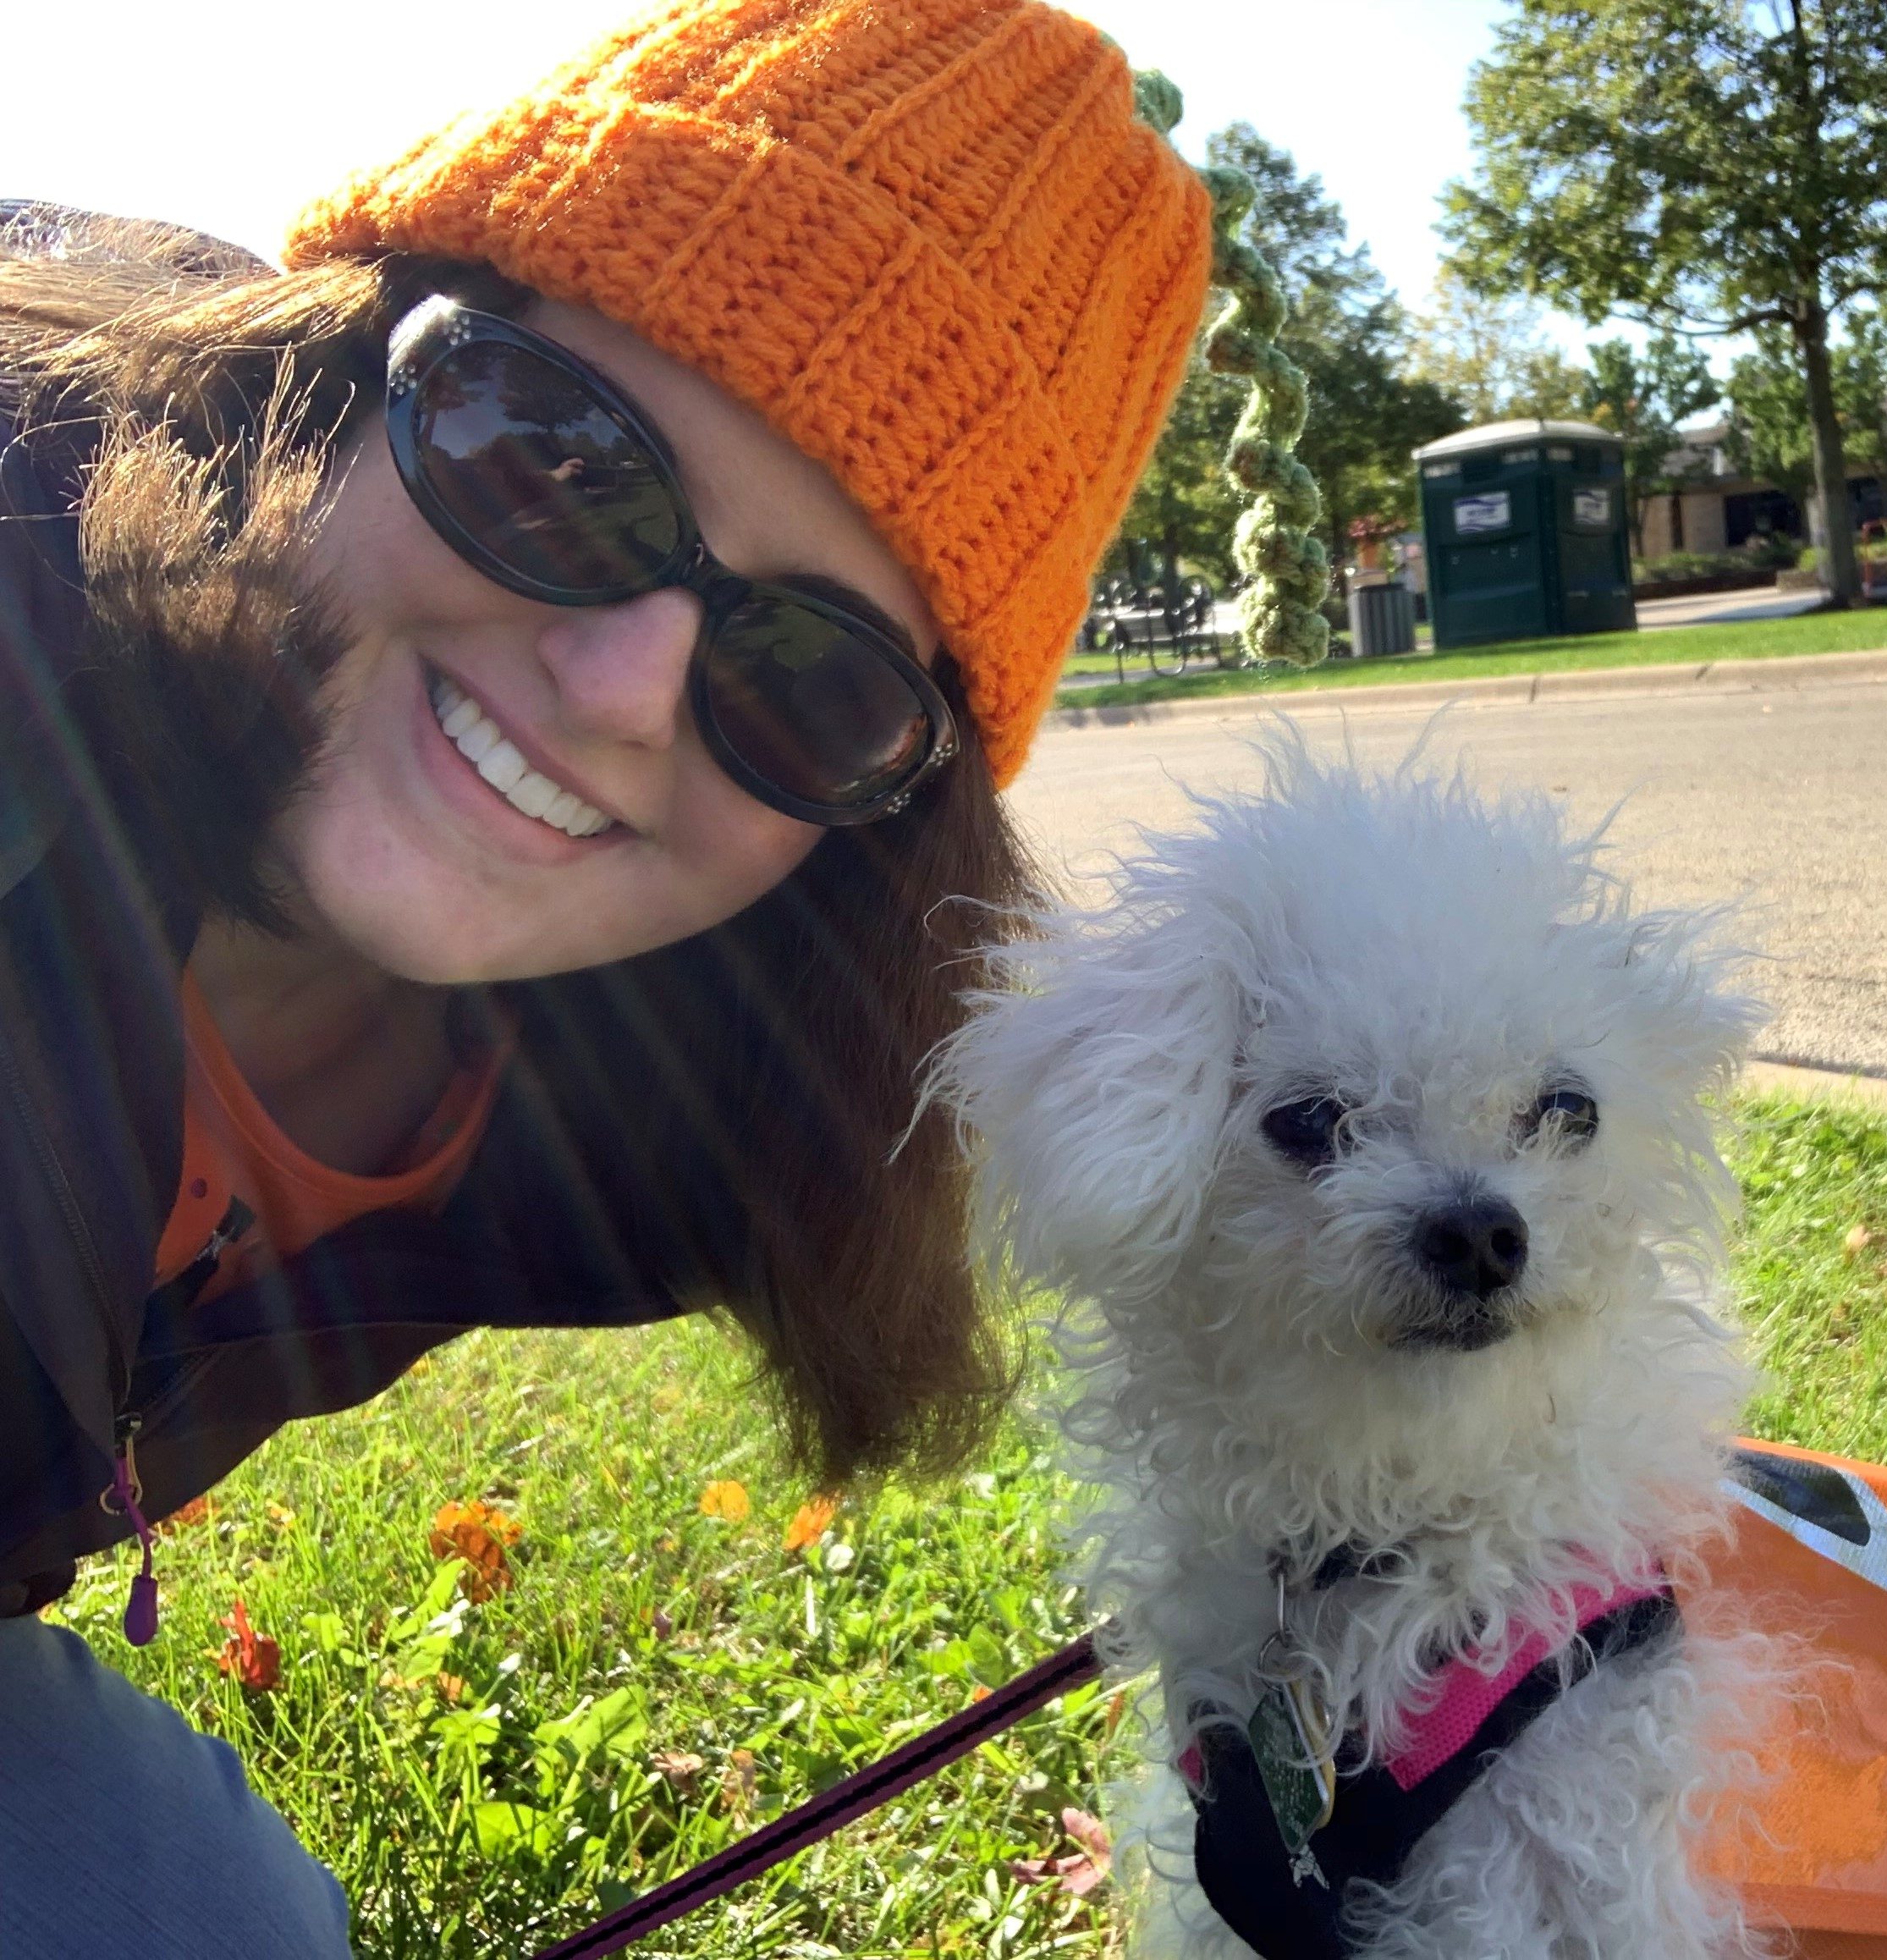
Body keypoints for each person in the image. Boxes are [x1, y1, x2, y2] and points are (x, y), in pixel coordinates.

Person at [0, 1, 1216, 1949]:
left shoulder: (637, 1087)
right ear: (344, 361)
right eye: (551, 466)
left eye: (807, 676)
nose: (624, 692)